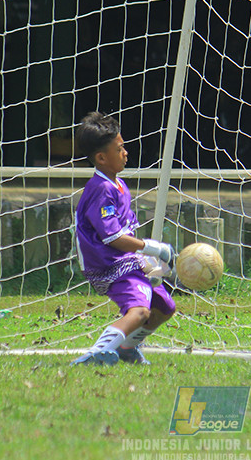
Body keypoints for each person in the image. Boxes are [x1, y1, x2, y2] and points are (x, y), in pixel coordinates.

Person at [71, 111, 176, 366]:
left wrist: (147, 259)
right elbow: (113, 238)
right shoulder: (101, 189)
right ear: (101, 157)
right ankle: (95, 353)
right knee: (140, 311)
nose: (126, 152)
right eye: (120, 149)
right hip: (108, 266)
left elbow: (125, 233)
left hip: (125, 261)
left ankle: (127, 348)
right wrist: (154, 247)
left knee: (164, 306)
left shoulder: (117, 184)